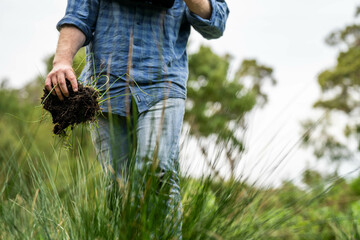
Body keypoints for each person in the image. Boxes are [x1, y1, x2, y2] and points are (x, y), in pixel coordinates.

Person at [45, 0, 229, 238]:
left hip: (164, 82)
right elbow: (80, 13)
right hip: (106, 84)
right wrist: (62, 61)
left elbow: (217, 23)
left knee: (158, 173)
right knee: (118, 187)